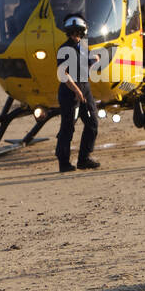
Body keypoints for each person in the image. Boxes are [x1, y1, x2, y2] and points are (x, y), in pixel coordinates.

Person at [55, 14, 100, 172]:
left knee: (92, 123)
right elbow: (63, 74)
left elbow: (87, 67)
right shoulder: (64, 49)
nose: (75, 36)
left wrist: (95, 62)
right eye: (72, 33)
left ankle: (84, 158)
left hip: (84, 89)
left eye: (78, 33)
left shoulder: (84, 47)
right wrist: (77, 91)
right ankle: (63, 162)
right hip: (70, 92)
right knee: (68, 127)